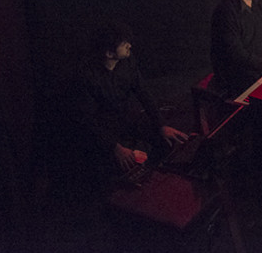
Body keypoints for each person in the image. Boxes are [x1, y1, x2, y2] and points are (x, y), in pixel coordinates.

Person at [74, 22, 187, 183]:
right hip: (104, 136)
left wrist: (161, 124)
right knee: (125, 169)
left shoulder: (127, 62)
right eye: (124, 44)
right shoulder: (87, 77)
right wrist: (115, 148)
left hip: (126, 122)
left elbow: (143, 92)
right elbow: (88, 121)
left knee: (169, 142)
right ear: (109, 53)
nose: (129, 45)